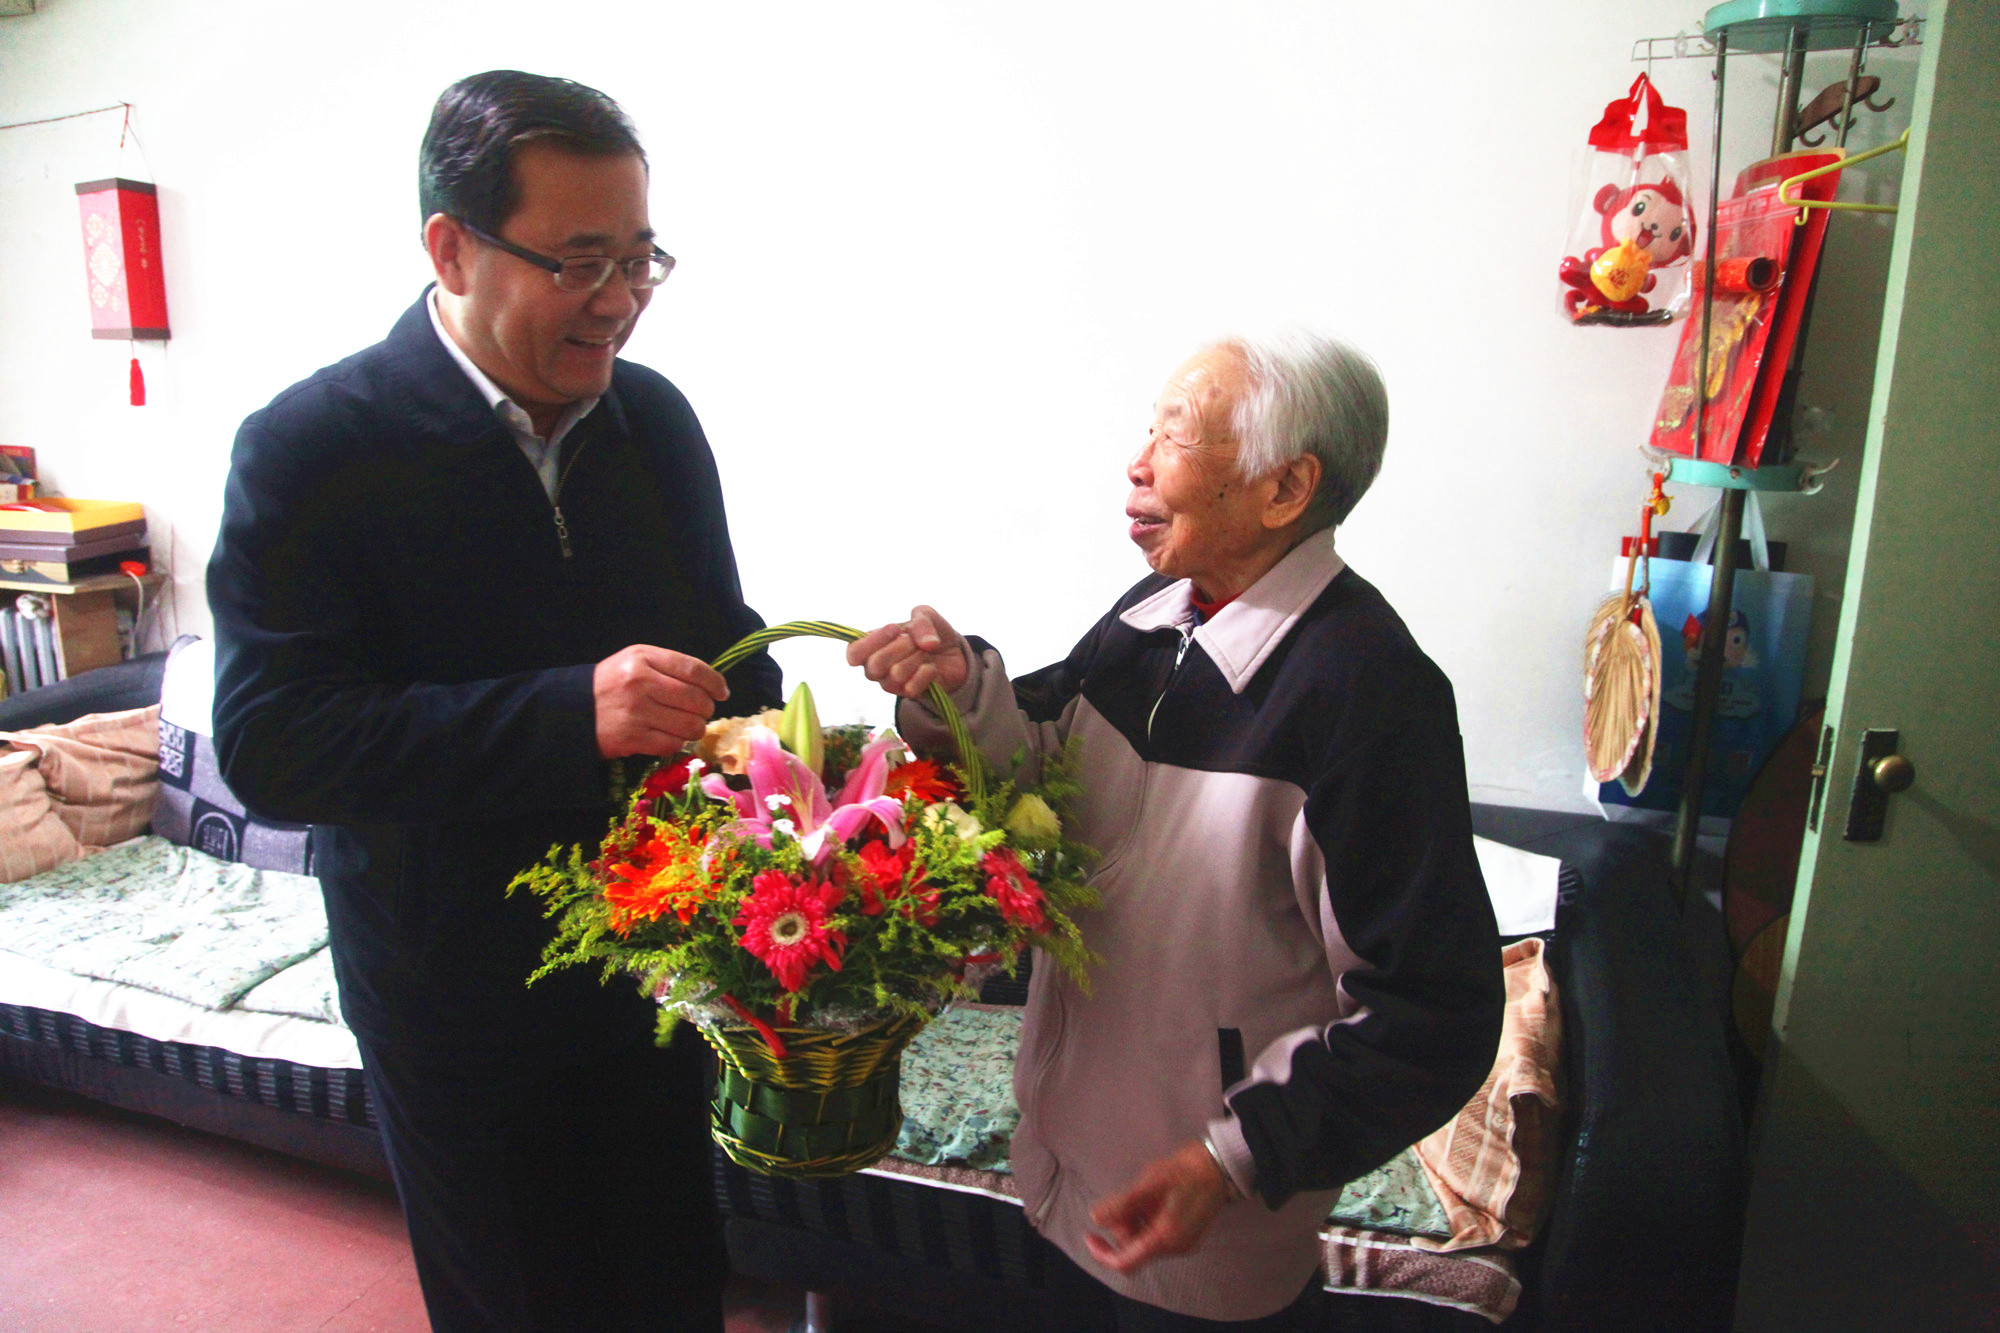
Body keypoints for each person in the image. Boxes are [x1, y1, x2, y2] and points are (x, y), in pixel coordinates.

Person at [207, 71, 779, 1333]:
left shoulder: (653, 425)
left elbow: (730, 652)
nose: (619, 301)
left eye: (639, 260)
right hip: (456, 1000)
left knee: (673, 1292)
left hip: (654, 974)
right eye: (578, 263)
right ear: (450, 247)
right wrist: (569, 715)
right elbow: (274, 742)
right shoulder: (313, 448)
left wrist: (774, 725)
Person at [848, 332, 1504, 1330]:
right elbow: (1040, 765)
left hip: (1201, 1228)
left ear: (1284, 488)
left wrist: (1230, 1157)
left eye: (1176, 434)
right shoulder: (1157, 612)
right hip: (1064, 1180)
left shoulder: (1367, 694)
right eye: (1147, 428)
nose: (1137, 462)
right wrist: (956, 694)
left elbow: (1430, 1015)